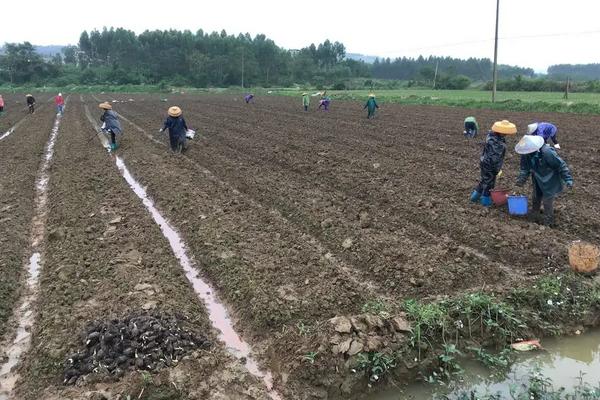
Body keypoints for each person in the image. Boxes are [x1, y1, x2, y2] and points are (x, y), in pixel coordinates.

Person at [515, 135, 573, 227]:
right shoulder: (525, 154)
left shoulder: (547, 152)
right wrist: (520, 180)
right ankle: (534, 216)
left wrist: (568, 179)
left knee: (547, 200)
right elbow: (525, 169)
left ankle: (548, 222)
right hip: (537, 177)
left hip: (550, 178)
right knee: (536, 196)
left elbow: (561, 165)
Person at [470, 120, 517, 207]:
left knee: (484, 180)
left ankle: (474, 197)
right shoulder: (496, 142)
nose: (506, 134)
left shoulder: (492, 136)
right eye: (505, 133)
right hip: (490, 165)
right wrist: (496, 169)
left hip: (484, 162)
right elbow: (494, 158)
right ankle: (486, 202)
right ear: (501, 131)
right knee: (489, 183)